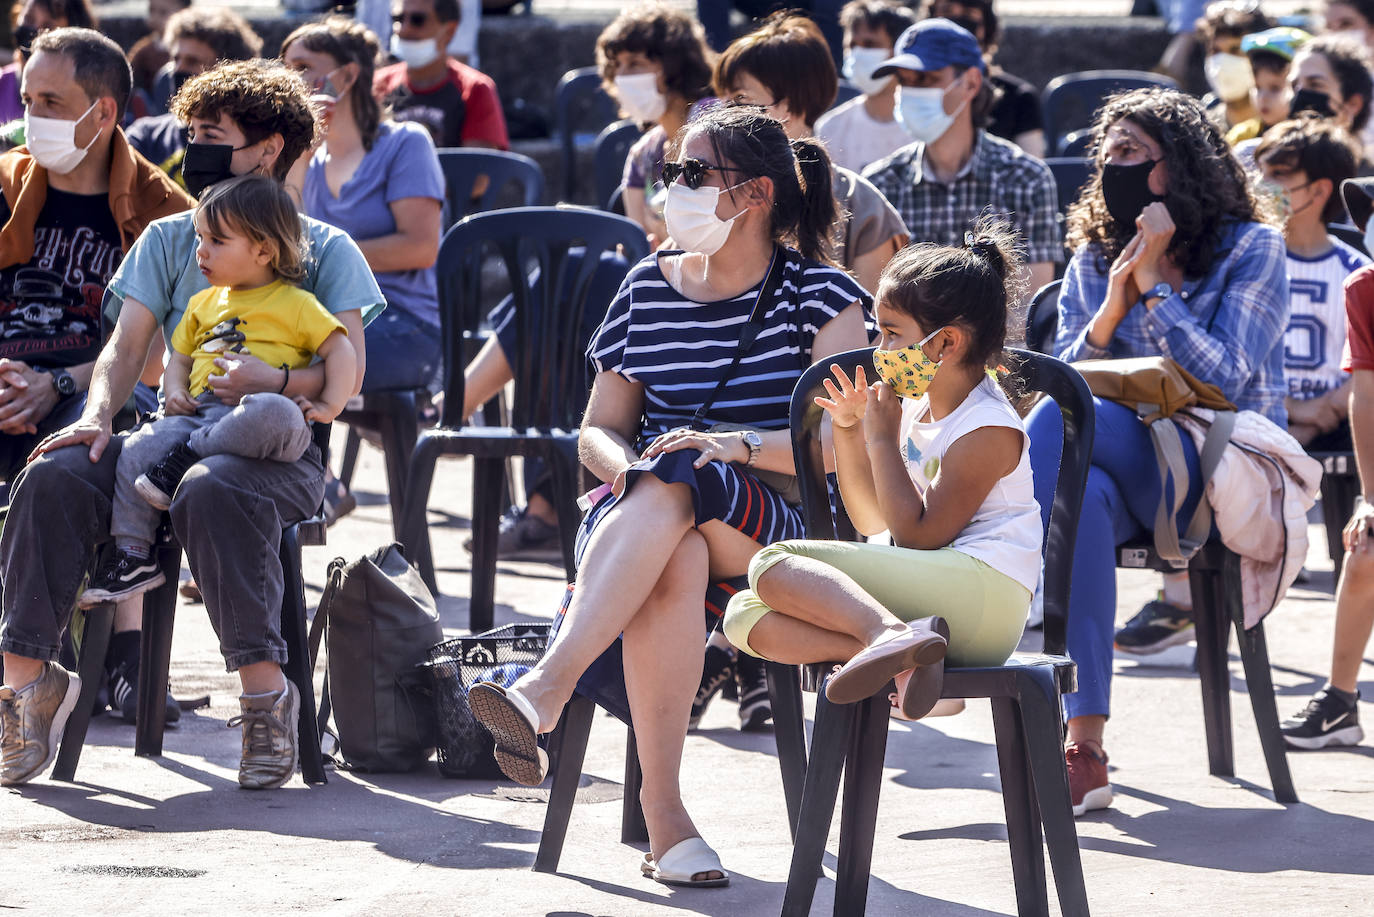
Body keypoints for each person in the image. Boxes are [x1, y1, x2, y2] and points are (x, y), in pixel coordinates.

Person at [467, 104, 869, 887]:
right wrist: (630, 469)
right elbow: (596, 433)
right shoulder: (645, 286)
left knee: (688, 474)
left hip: (777, 528)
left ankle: (545, 688)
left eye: (691, 173)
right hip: (642, 513)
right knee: (675, 543)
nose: (670, 187)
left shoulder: (825, 296)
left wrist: (732, 445)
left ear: (753, 194)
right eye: (669, 172)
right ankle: (667, 818)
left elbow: (836, 443)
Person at [0, 59, 385, 790]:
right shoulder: (176, 237)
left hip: (277, 449)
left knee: (211, 487)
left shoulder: (324, 250)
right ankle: (25, 687)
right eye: (191, 132)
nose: (194, 149)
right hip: (168, 434)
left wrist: (270, 380)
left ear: (268, 150)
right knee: (53, 472)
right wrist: (93, 415)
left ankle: (266, 697)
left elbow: (346, 372)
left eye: (212, 135)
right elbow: (128, 347)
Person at [1026, 88, 1288, 816]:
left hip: (1217, 470)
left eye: (1134, 153)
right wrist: (1112, 304)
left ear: (1183, 165)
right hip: (1123, 475)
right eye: (1108, 154)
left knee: (1056, 431)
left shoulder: (1253, 248)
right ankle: (1086, 744)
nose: (1117, 167)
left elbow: (1228, 378)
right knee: (1080, 507)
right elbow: (1067, 372)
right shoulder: (1094, 252)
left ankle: (995, 576)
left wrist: (1154, 290)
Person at [720, 220, 1038, 724]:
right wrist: (848, 431)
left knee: (771, 563)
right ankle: (907, 662)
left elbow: (916, 537)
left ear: (945, 343)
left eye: (891, 333)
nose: (879, 347)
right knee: (743, 615)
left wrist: (881, 439)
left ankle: (889, 638)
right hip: (934, 601)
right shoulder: (915, 407)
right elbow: (872, 521)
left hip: (985, 602)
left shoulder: (987, 427)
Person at [696, 11, 908, 727]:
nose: (725, 115)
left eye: (744, 100)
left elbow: (884, 352)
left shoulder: (853, 205)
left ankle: (735, 648)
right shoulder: (711, 198)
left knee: (714, 496)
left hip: (821, 442)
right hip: (734, 436)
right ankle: (737, 654)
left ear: (789, 106)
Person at [1116, 114, 1366, 657]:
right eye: (1258, 174)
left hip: (1321, 415)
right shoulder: (1227, 255)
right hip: (1265, 404)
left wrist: (1322, 408)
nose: (1262, 189)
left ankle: (1187, 596)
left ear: (1318, 190)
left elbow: (1363, 359)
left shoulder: (1348, 264)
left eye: (1279, 178)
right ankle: (1181, 595)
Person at [0, 27, 191, 735]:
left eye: (52, 100)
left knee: (93, 448)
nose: (32, 117)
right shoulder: (4, 184)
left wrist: (56, 381)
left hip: (98, 389)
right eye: (27, 99)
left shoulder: (161, 210)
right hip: (8, 378)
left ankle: (119, 657)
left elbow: (161, 354)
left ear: (103, 111)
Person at [83, 175, 357, 615]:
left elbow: (341, 350)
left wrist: (329, 404)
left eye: (216, 240)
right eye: (199, 237)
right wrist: (172, 393)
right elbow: (181, 358)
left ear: (264, 250)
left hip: (264, 416)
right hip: (200, 414)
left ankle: (188, 455)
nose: (200, 252)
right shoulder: (202, 304)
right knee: (136, 447)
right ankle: (133, 554)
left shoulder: (296, 303)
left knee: (271, 412)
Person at [284, 17, 443, 395]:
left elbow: (421, 248)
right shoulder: (306, 159)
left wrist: (327, 261)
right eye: (285, 69)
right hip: (325, 321)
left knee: (280, 363)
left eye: (303, 68)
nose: (291, 81)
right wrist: (301, 155)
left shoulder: (405, 143)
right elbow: (286, 245)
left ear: (349, 74)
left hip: (405, 323)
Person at [861, 18, 1061, 315]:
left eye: (926, 79)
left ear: (970, 83)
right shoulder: (879, 183)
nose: (911, 91)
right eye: (904, 81)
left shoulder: (1026, 179)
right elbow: (876, 309)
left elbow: (1028, 311)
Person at [1279, 174, 1374, 749]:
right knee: (1364, 552)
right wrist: (1371, 496)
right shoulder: (1364, 287)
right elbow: (1366, 396)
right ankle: (1340, 700)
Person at [599, 3, 716, 245]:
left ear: (674, 65)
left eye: (634, 63)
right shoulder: (641, 155)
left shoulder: (715, 121)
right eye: (616, 66)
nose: (620, 77)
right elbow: (636, 245)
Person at [125, 8, 263, 186]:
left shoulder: (243, 144)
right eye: (176, 59)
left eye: (192, 61)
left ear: (227, 71)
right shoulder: (146, 135)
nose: (177, 69)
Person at [373, 0, 509, 152]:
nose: (403, 29)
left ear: (449, 31)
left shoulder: (475, 89)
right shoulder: (376, 85)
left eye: (417, 20)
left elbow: (478, 170)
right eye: (397, 19)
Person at [921, 0, 1046, 157]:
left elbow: (1033, 166)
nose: (956, 20)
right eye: (947, 11)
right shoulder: (915, 93)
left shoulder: (1020, 98)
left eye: (968, 13)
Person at [814, 0, 918, 174]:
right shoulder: (830, 129)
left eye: (870, 44)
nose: (857, 53)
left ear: (899, 51)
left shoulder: (924, 128)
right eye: (852, 45)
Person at [0, 0, 96, 126]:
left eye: (47, 27)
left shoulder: (88, 98)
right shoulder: (2, 82)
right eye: (29, 18)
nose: (34, 32)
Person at [1194, 0, 1271, 133]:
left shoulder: (1281, 129)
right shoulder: (1202, 129)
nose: (1223, 61)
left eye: (1235, 50)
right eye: (1215, 51)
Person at [1227, 26, 1313, 146]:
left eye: (1275, 88)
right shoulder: (1241, 137)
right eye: (1257, 87)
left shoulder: (1312, 140)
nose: (1263, 97)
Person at [126, 0, 190, 120]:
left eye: (163, 12)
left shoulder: (194, 49)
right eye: (152, 10)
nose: (155, 18)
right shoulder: (144, 51)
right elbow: (128, 81)